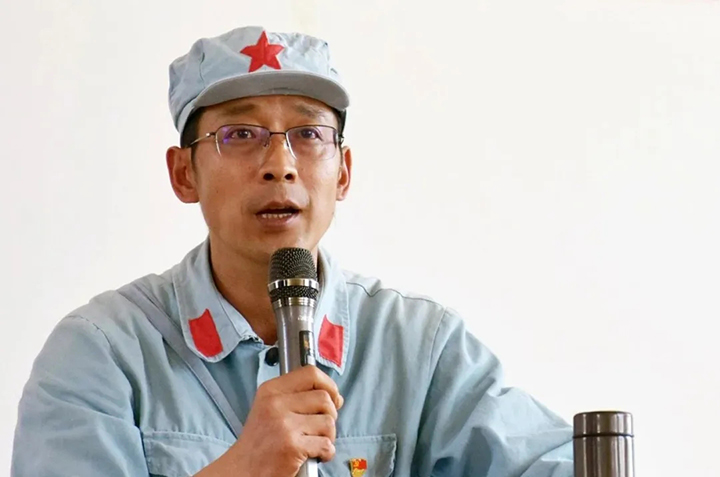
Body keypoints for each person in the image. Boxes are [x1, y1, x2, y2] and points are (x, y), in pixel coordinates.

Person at [12, 26, 574, 476]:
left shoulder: (420, 348)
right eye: (239, 135)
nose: (279, 165)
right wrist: (242, 469)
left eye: (308, 135)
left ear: (343, 172)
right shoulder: (102, 353)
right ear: (184, 174)